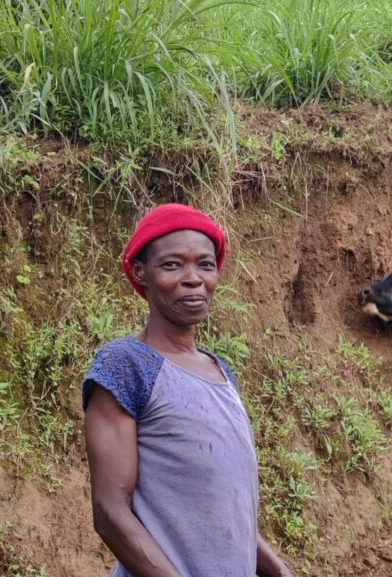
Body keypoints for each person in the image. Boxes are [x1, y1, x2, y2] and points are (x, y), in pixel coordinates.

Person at [82, 203, 292, 577]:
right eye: (172, 265)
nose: (193, 278)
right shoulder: (126, 365)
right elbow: (110, 512)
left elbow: (227, 513)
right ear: (140, 272)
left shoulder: (220, 372)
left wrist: (279, 572)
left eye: (205, 265)